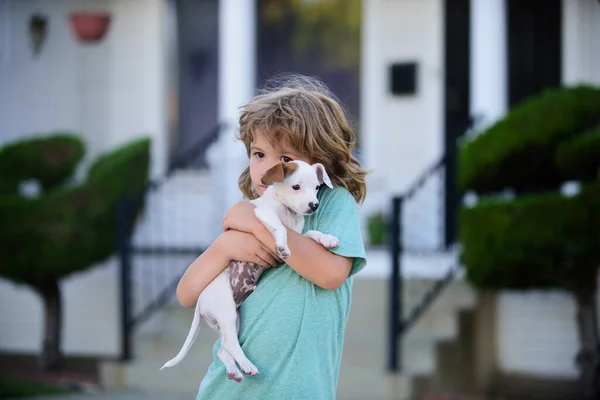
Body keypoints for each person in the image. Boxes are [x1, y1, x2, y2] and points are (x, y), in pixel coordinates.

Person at [176, 74, 368, 400]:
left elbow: (331, 273)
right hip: (227, 392)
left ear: (318, 159)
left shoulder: (333, 205)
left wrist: (254, 223)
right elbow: (186, 295)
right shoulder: (255, 211)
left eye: (284, 158)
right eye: (258, 154)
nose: (266, 169)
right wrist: (224, 246)